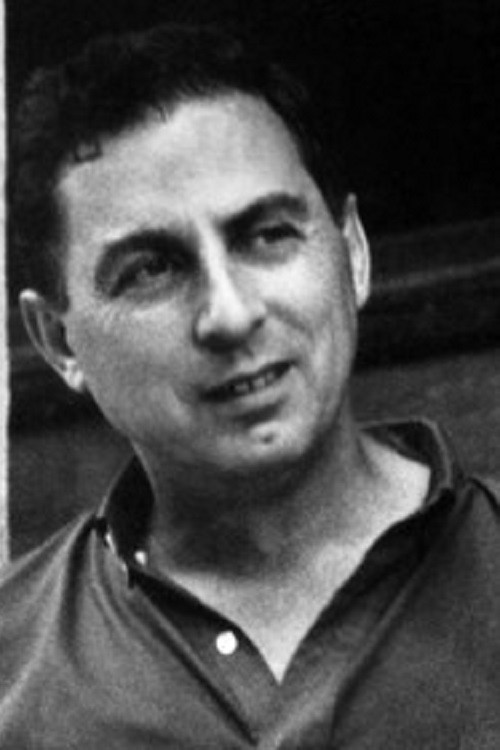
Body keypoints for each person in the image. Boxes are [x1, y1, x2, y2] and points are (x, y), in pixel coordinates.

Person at [2, 23, 500, 750]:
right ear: (57, 340)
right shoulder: (14, 667)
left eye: (268, 235)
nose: (230, 315)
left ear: (354, 252)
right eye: (151, 269)